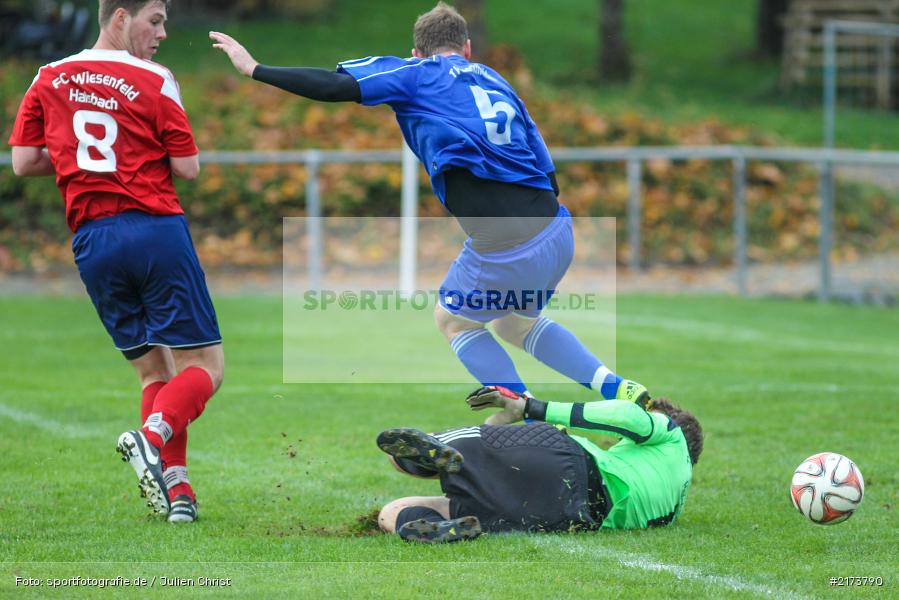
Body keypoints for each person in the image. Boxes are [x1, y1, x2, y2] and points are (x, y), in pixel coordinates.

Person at [210, 2, 649, 415]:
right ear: (468, 48)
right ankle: (616, 388)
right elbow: (543, 160)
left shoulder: (416, 72)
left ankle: (525, 411)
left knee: (453, 320)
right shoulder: (495, 79)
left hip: (505, 243)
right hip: (556, 227)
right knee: (514, 324)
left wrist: (256, 69)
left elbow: (336, 84)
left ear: (416, 51)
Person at [8, 0, 223, 523]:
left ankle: (179, 496)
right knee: (206, 368)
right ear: (120, 17)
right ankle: (152, 437)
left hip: (92, 241)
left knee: (154, 370)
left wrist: (81, 164)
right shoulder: (154, 79)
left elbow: (23, 161)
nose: (163, 33)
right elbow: (188, 168)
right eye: (156, 20)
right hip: (153, 230)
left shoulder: (48, 76)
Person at [375, 386, 703, 542]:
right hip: (568, 517)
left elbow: (626, 415)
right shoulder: (675, 506)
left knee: (404, 452)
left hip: (569, 460)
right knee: (392, 511)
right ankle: (441, 526)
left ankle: (420, 458)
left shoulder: (670, 434)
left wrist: (531, 409)